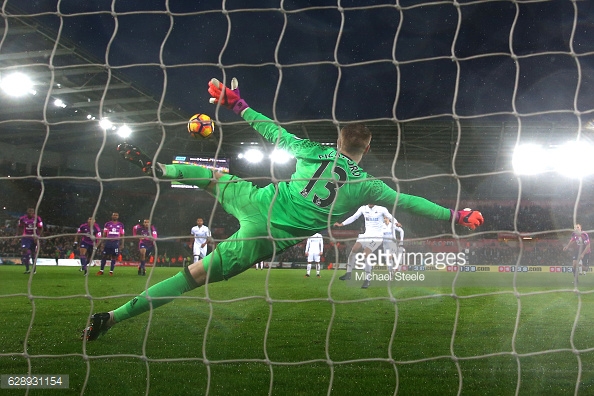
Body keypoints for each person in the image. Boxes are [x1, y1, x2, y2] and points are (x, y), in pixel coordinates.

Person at [82, 77, 484, 341]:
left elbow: (273, 130)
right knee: (192, 276)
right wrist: (455, 216)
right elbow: (409, 200)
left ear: (338, 139)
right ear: (367, 149)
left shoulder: (313, 149)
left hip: (260, 198)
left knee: (214, 176)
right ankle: (112, 318)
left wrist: (237, 104)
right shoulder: (368, 185)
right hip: (266, 236)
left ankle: (162, 169)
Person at [334, 204, 394, 288]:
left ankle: (367, 279)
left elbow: (390, 216)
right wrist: (342, 224)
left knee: (366, 253)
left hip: (377, 237)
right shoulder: (363, 208)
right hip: (366, 235)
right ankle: (348, 273)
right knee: (354, 250)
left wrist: (397, 222)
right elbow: (354, 217)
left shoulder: (381, 209)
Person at [17, 207, 43, 274]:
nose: (31, 213)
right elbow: (19, 226)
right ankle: (27, 269)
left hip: (34, 237)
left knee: (33, 253)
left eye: (32, 212)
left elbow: (40, 228)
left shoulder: (38, 218)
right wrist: (21, 234)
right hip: (26, 237)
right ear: (27, 212)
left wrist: (38, 236)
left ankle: (34, 270)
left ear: (34, 213)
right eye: (29, 212)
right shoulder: (22, 218)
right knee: (25, 251)